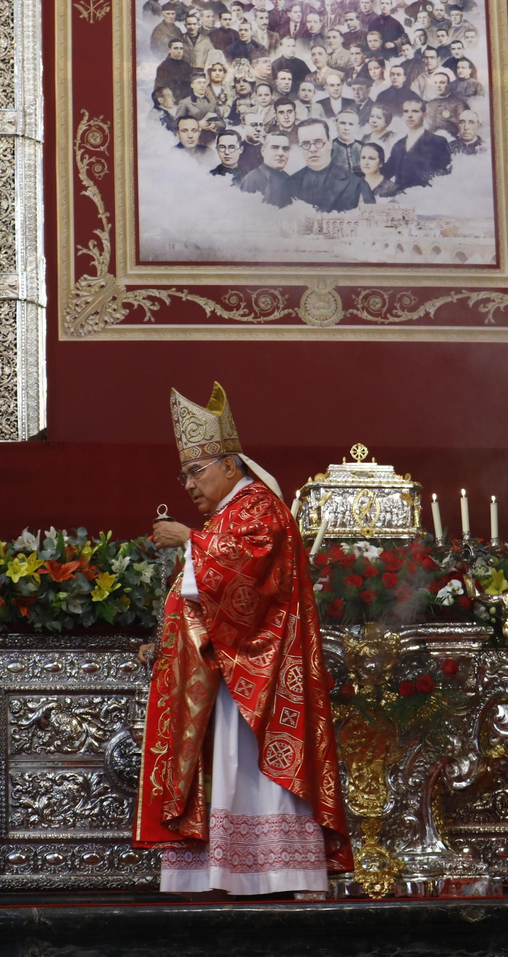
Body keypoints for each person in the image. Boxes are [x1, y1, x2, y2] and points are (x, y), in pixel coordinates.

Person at [133, 383, 351, 895]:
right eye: (184, 473)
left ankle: (281, 871)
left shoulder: (258, 506)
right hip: (221, 674)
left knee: (247, 767)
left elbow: (248, 575)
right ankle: (228, 873)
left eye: (196, 471)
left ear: (231, 466)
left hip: (257, 677)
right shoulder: (228, 515)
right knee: (224, 768)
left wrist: (189, 538)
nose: (188, 483)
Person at [290, 119, 374, 212]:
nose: (312, 149)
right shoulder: (289, 184)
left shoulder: (358, 186)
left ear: (330, 142)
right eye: (305, 144)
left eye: (318, 142)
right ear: (300, 147)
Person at [385, 98, 451, 188]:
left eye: (415, 111)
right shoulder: (398, 145)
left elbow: (445, 177)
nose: (409, 115)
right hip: (400, 198)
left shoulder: (438, 142)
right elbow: (386, 172)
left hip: (426, 198)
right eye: (406, 111)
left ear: (424, 115)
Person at [240, 132, 295, 207]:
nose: (281, 153)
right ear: (263, 151)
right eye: (275, 148)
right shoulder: (252, 180)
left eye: (285, 149)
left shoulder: (287, 178)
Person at [330, 108, 364, 173]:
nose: (346, 128)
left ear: (357, 128)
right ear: (336, 125)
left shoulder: (363, 147)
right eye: (342, 123)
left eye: (351, 124)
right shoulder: (329, 147)